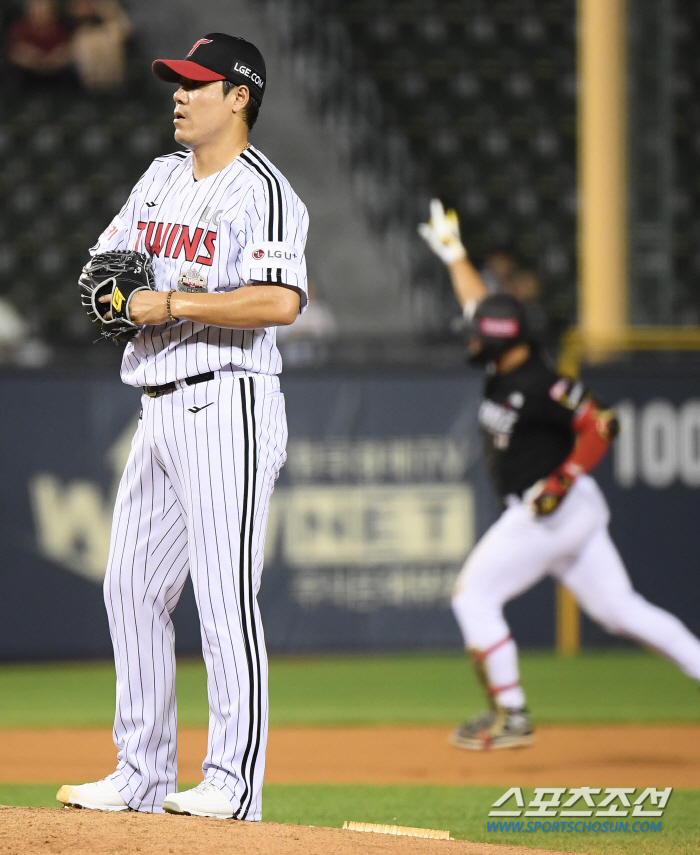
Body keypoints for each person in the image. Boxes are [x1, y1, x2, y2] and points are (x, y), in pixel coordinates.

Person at [56, 33, 308, 817]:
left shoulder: (263, 192)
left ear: (239, 97)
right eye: (177, 82)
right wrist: (114, 292)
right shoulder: (161, 177)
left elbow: (279, 301)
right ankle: (141, 772)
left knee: (226, 596)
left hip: (227, 398)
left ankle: (234, 785)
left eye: (197, 83)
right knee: (130, 585)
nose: (179, 93)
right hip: (158, 403)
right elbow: (106, 264)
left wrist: (172, 302)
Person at [419, 200, 700, 750]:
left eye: (481, 335)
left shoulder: (542, 382)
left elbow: (602, 424)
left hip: (552, 508)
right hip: (564, 511)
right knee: (622, 612)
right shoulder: (507, 361)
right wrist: (455, 255)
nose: (473, 338)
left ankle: (514, 714)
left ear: (503, 338)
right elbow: (479, 303)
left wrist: (562, 480)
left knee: (471, 596)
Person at [6, 0, 73, 89]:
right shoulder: (20, 29)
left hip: (57, 73)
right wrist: (34, 59)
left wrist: (56, 58)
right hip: (27, 74)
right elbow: (15, 53)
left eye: (45, 10)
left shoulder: (61, 30)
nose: (40, 14)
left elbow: (67, 51)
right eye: (37, 10)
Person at [67, 0, 131, 91]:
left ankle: (112, 84)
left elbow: (125, 28)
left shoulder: (109, 7)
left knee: (109, 37)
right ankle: (94, 86)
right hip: (80, 36)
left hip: (106, 32)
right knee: (85, 41)